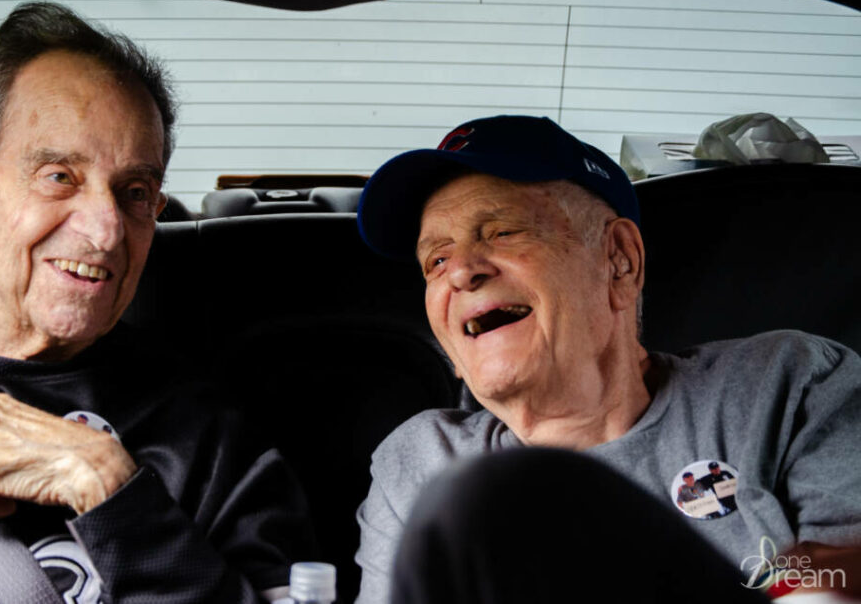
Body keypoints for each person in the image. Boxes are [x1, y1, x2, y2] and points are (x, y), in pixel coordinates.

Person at [0, 2, 313, 603]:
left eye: (135, 192)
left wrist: (109, 486)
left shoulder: (211, 445)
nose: (107, 229)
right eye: (59, 175)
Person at [352, 115, 861, 603]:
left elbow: (844, 580)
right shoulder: (419, 464)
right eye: (435, 259)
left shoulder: (788, 383)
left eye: (502, 231)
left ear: (619, 260)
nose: (460, 272)